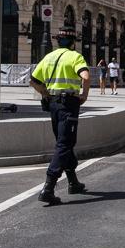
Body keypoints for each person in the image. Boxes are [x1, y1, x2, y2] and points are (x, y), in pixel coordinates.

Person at [29, 29, 91, 205]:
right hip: (68, 104)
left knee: (64, 142)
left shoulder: (49, 57)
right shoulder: (74, 56)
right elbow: (85, 77)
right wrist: (84, 96)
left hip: (53, 104)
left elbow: (33, 80)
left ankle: (73, 182)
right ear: (73, 43)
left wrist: (45, 93)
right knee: (64, 144)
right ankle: (49, 187)